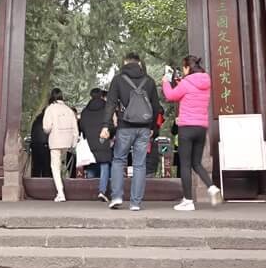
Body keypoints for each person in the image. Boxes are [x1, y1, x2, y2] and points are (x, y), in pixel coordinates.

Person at [101, 52, 162, 210]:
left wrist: (106, 126)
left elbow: (110, 104)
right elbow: (156, 108)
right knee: (139, 165)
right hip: (143, 129)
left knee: (118, 160)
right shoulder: (149, 81)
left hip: (125, 127)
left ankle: (116, 197)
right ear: (139, 63)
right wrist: (154, 129)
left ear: (125, 62)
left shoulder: (118, 80)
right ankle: (135, 203)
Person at [162, 55, 223, 211]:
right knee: (196, 163)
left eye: (184, 67)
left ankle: (188, 201)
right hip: (201, 128)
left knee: (186, 164)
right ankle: (212, 187)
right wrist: (178, 83)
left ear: (188, 68)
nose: (183, 70)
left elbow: (170, 95)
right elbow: (187, 91)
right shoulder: (205, 82)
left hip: (187, 128)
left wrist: (165, 82)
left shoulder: (186, 83)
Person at [41, 88, 79, 203]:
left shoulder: (50, 109)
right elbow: (75, 129)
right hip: (67, 142)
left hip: (56, 141)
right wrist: (73, 142)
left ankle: (61, 192)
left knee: (55, 167)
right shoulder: (69, 110)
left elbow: (46, 128)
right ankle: (63, 186)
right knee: (62, 165)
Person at [78, 88, 115, 201]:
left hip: (90, 141)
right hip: (103, 140)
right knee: (104, 165)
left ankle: (90, 191)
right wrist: (111, 134)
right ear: (101, 96)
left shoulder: (85, 111)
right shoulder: (107, 109)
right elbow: (111, 125)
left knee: (91, 164)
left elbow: (82, 127)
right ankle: (102, 191)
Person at [29, 108, 52, 178]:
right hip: (45, 145)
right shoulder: (48, 120)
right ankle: (46, 186)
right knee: (46, 168)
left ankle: (34, 184)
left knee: (36, 167)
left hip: (35, 145)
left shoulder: (37, 120)